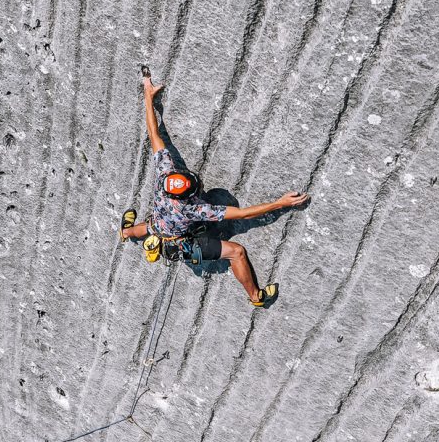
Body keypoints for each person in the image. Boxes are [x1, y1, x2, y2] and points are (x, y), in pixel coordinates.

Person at [120, 69, 308, 307]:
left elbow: (153, 134)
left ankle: (126, 233)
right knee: (237, 252)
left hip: (159, 226)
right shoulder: (194, 209)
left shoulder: (164, 176)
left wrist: (148, 95)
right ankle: (256, 297)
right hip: (181, 242)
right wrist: (280, 203)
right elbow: (243, 214)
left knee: (152, 227)